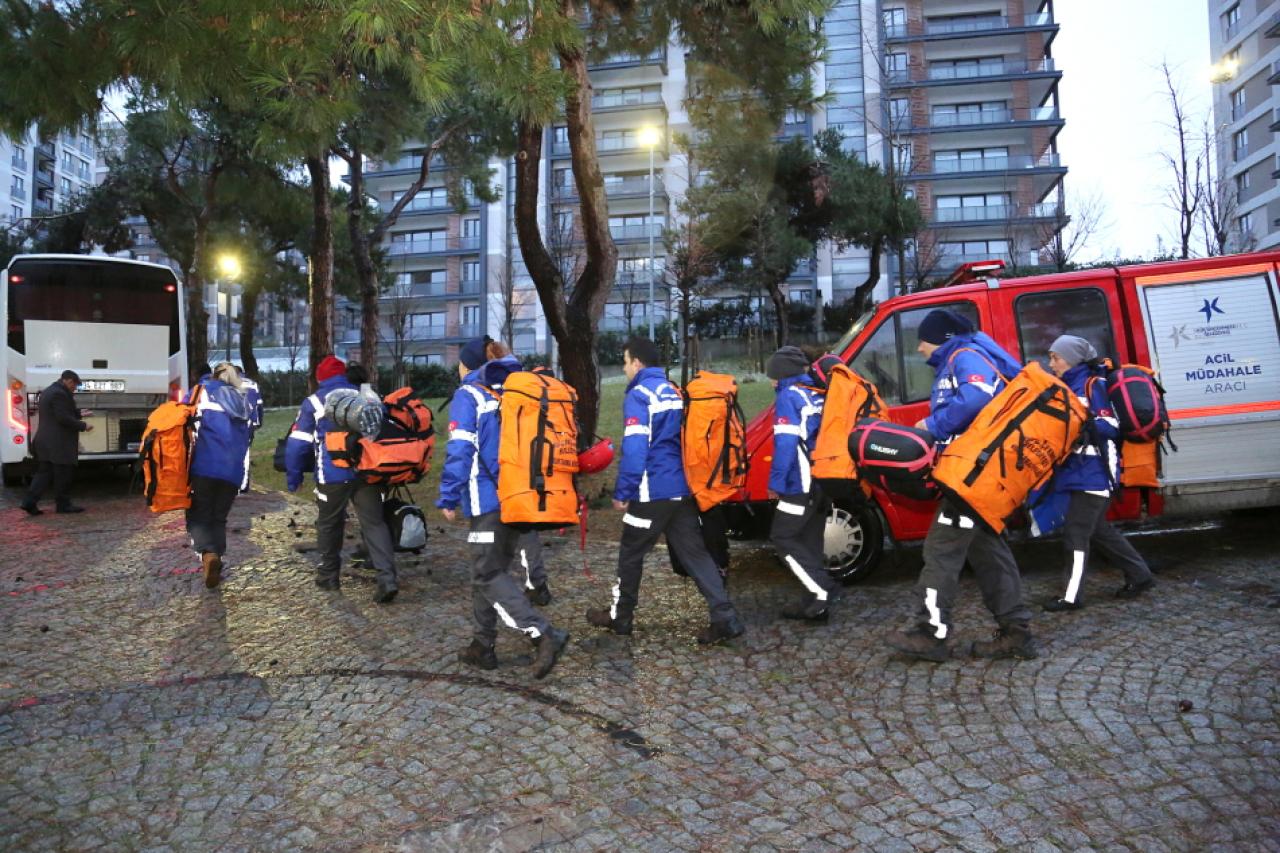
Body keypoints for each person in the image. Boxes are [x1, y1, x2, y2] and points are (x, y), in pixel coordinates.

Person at [886, 309, 1039, 662]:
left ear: (942, 338)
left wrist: (933, 426)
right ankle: (1017, 633)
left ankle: (931, 633)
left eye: (923, 340)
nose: (920, 348)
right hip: (978, 476)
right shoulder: (960, 358)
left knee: (940, 551)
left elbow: (977, 397)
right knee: (989, 554)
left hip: (973, 479)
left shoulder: (964, 356)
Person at [585, 337, 745, 644]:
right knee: (696, 555)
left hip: (651, 492)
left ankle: (621, 617)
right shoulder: (674, 390)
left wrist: (624, 490)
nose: (624, 367)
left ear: (637, 363)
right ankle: (726, 618)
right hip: (681, 490)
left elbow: (634, 448)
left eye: (625, 361)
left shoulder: (639, 395)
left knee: (631, 553)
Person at [438, 337, 568, 678]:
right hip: (518, 497)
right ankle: (483, 646)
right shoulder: (510, 393)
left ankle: (542, 632)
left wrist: (448, 494)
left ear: (466, 366)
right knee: (486, 571)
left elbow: (461, 449)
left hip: (487, 502)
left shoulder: (470, 396)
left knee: (487, 573)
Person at [1042, 335, 1156, 611]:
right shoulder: (1071, 384)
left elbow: (1108, 426)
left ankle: (1071, 596)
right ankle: (1140, 575)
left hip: (1095, 472)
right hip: (1081, 471)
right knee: (1099, 530)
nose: (1051, 363)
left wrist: (1080, 424)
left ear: (1072, 359)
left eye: (1055, 357)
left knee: (1076, 534)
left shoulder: (1094, 385)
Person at [285, 355, 399, 603]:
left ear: (320, 377)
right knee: (374, 523)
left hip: (332, 474)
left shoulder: (315, 401)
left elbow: (297, 444)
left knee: (329, 523)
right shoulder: (366, 395)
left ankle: (328, 575)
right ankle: (387, 578)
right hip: (368, 471)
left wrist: (293, 477)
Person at [766, 345, 843, 622]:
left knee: (783, 537)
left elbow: (786, 444)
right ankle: (814, 600)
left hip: (799, 483)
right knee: (809, 540)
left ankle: (822, 590)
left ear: (783, 374)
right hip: (823, 479)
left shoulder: (789, 396)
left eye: (772, 375)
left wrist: (775, 482)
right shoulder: (818, 392)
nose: (771, 380)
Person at [186, 362, 252, 589]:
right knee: (219, 518)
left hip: (205, 465)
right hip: (232, 470)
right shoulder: (242, 400)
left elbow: (180, 419)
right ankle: (217, 559)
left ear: (213, 376)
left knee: (199, 514)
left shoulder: (200, 393)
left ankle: (208, 555)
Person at [21, 370, 92, 515]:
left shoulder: (49, 391)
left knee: (44, 474)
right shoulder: (59, 393)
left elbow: (57, 412)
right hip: (58, 443)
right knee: (63, 474)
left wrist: (78, 413)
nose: (74, 388)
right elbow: (63, 418)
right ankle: (63, 505)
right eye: (74, 385)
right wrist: (83, 426)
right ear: (69, 381)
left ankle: (29, 502)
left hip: (46, 441)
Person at [233, 364, 264, 492]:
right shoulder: (253, 384)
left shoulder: (229, 383)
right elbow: (259, 405)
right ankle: (243, 486)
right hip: (248, 423)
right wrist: (258, 422)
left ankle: (233, 483)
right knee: (245, 452)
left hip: (233, 422)